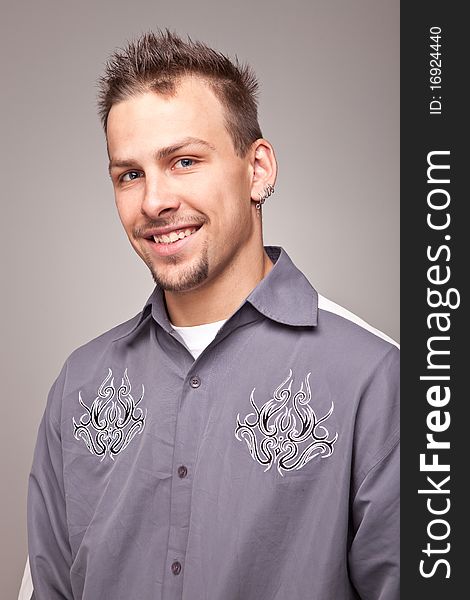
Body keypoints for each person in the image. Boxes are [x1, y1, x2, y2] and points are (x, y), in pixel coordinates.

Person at [25, 29, 399, 600]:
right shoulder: (80, 383)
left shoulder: (376, 380)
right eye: (130, 174)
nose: (154, 201)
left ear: (258, 170)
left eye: (184, 161)